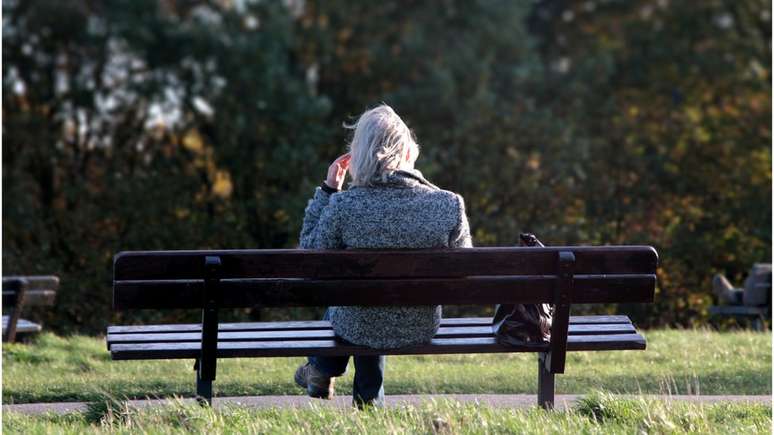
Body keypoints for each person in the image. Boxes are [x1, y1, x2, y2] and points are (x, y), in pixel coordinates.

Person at [294, 104, 472, 407]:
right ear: (406, 152)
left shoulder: (344, 206)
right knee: (365, 307)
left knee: (356, 307)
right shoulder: (448, 204)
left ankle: (321, 368)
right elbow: (464, 268)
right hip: (420, 322)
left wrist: (327, 190)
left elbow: (310, 255)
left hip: (357, 322)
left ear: (360, 154)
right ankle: (364, 405)